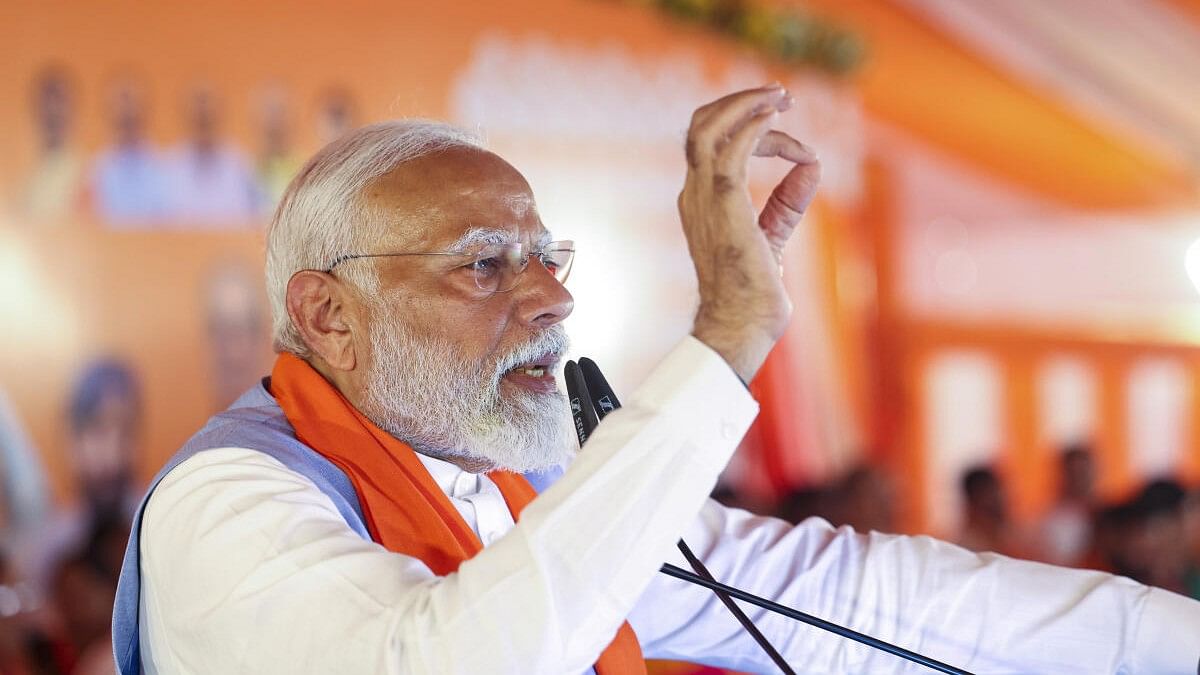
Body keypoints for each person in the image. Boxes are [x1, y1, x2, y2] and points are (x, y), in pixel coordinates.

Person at [113, 86, 1200, 673]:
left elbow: (859, 604)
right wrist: (725, 337)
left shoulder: (515, 490)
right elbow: (452, 659)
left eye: (548, 258)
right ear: (328, 317)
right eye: (486, 262)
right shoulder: (230, 506)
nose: (551, 298)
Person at [91, 76, 169, 225]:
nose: (126, 110)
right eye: (120, 101)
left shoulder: (165, 169)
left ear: (146, 110)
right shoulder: (95, 171)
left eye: (131, 100)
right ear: (107, 111)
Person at [1038, 443, 1096, 566]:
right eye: (1074, 473)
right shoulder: (1050, 521)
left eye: (1084, 472)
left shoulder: (1108, 515)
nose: (1080, 479)